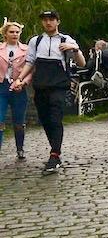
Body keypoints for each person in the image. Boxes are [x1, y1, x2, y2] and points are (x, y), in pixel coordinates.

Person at [12, 10, 85, 173]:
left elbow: (81, 63)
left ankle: (55, 154)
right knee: (45, 119)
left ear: (58, 21)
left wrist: (74, 48)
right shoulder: (36, 41)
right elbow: (30, 63)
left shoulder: (66, 40)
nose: (48, 22)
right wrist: (20, 79)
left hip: (58, 85)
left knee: (55, 118)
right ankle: (55, 149)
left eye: (51, 19)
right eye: (45, 20)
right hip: (41, 85)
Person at [0, 20, 31, 160]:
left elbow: (31, 69)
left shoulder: (26, 50)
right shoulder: (0, 49)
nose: (15, 34)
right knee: (0, 120)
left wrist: (23, 82)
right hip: (2, 86)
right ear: (5, 34)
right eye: (11, 32)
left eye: (17, 32)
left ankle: (20, 149)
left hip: (19, 88)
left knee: (19, 121)